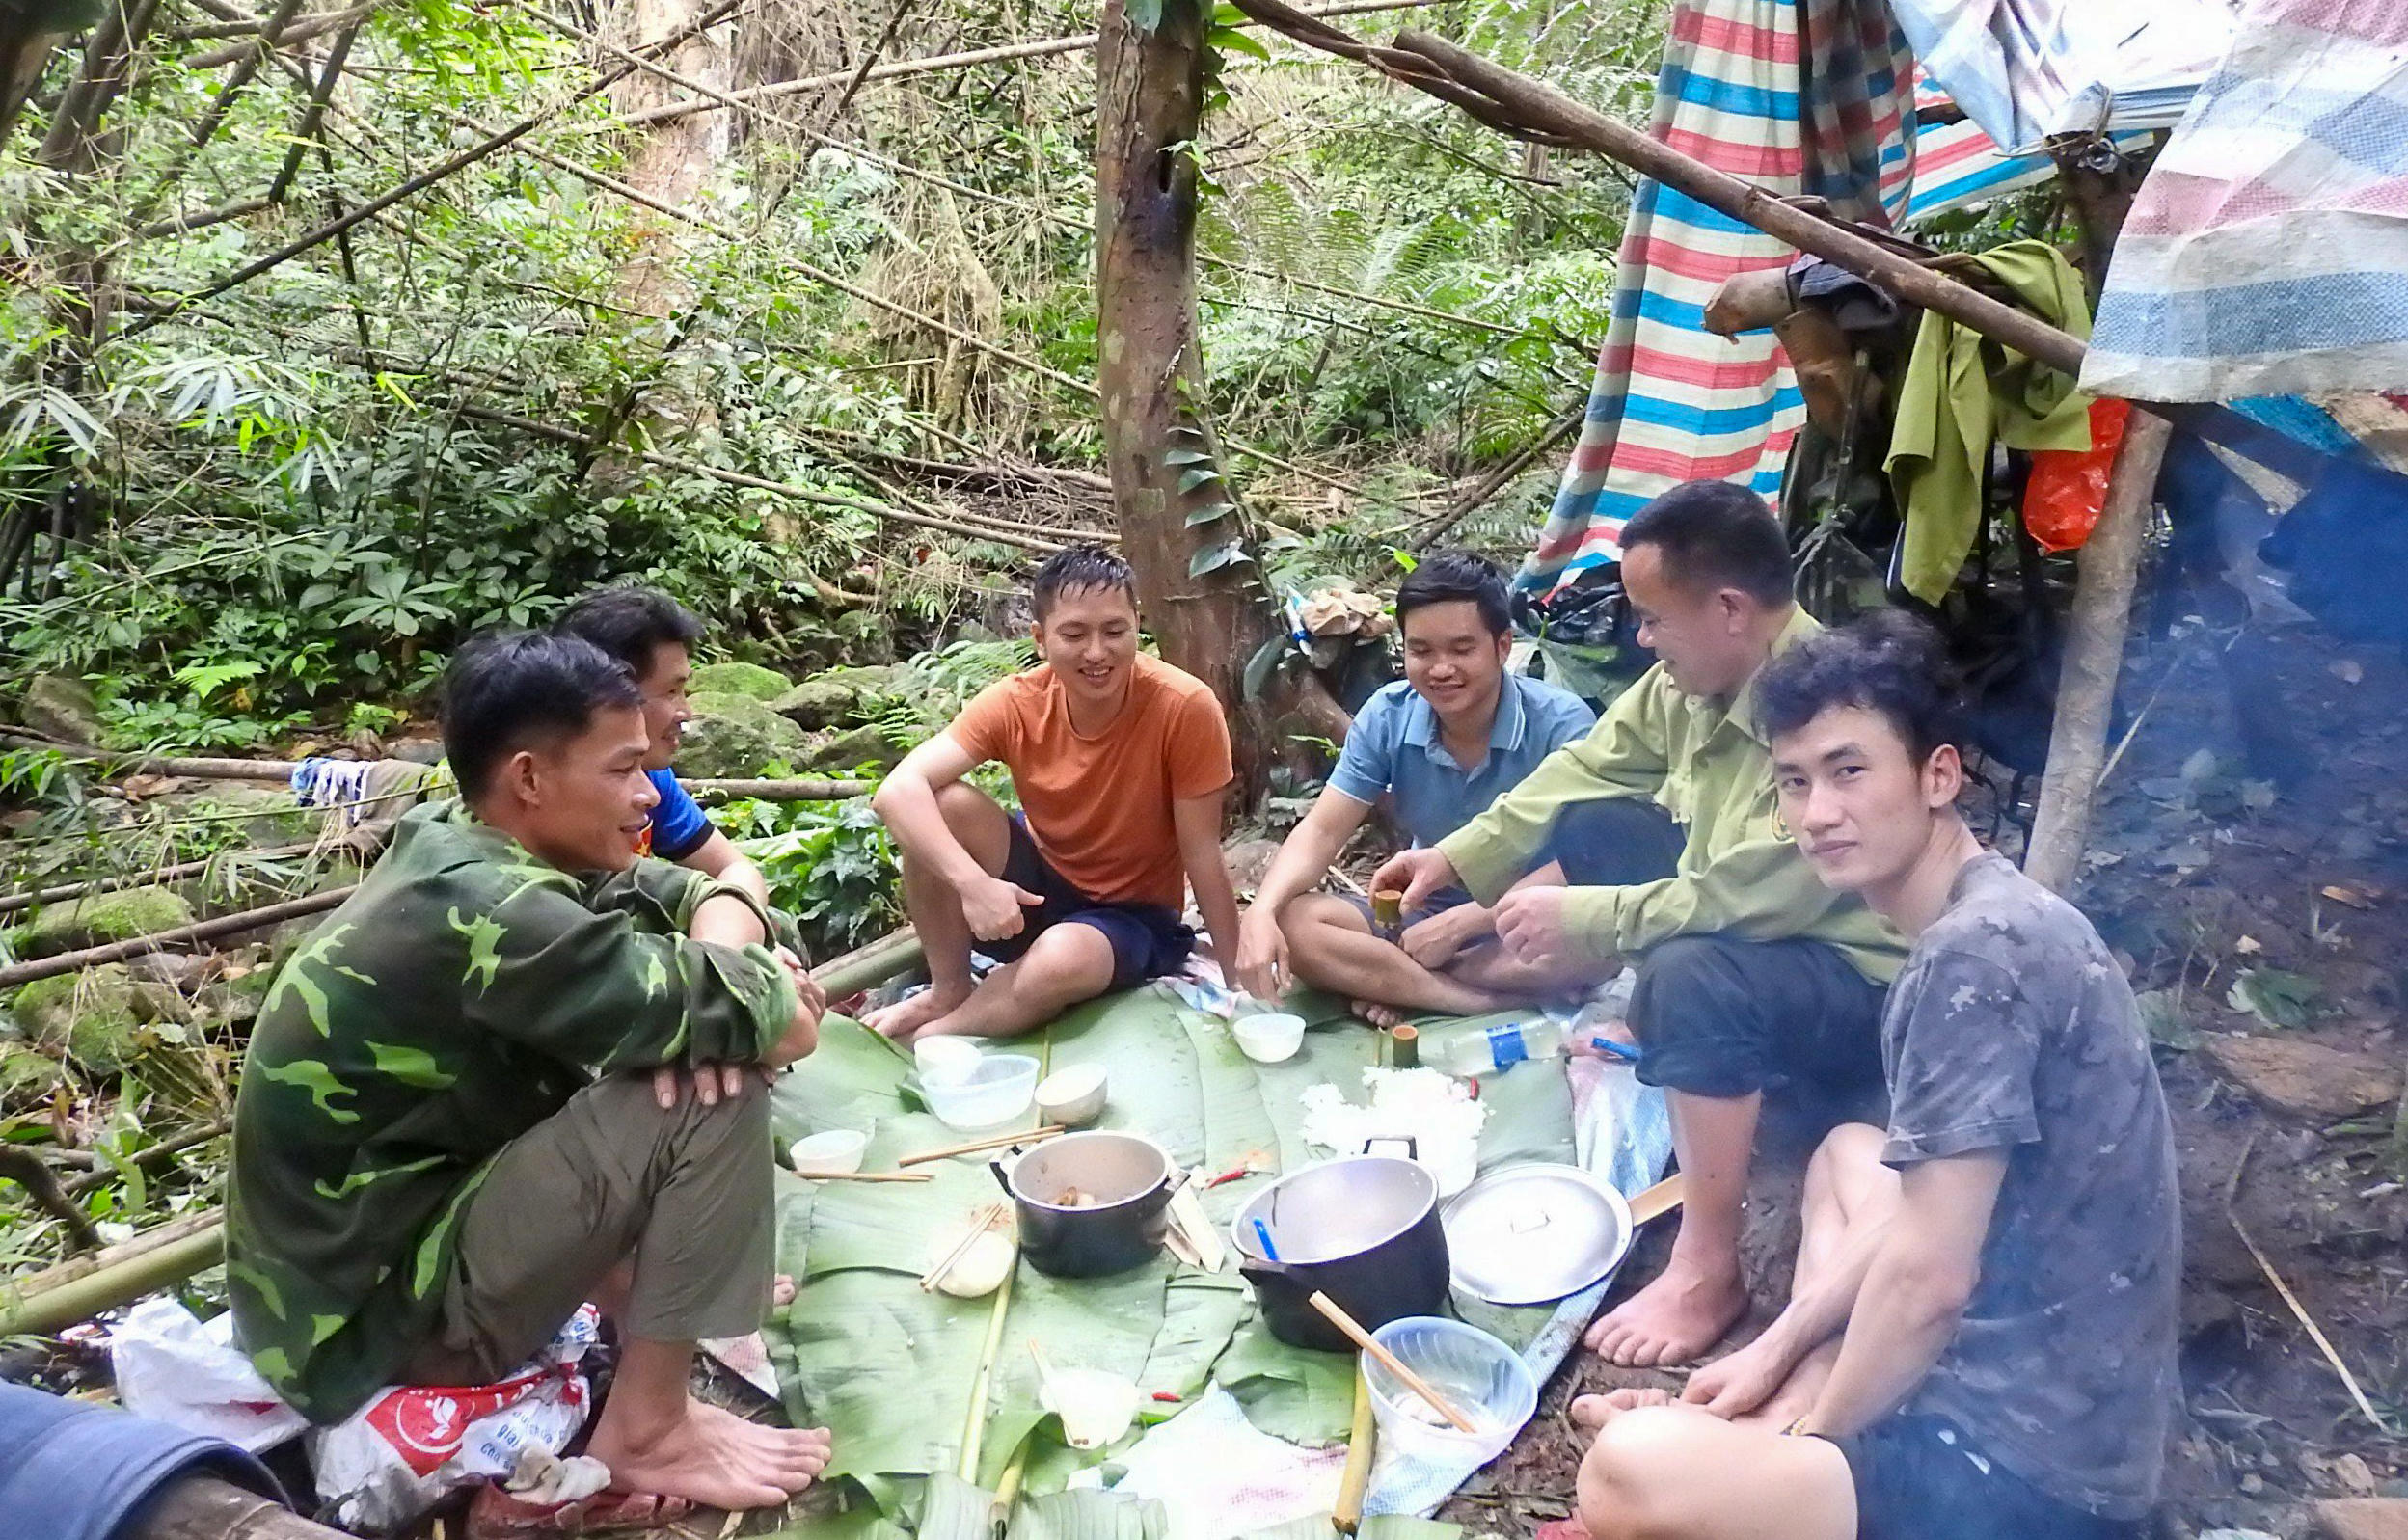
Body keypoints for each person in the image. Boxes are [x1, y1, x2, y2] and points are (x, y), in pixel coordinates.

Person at [1564, 610, 2179, 1540]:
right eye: (1795, 781)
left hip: (2030, 1476)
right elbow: (1923, 1211)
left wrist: (1801, 1442)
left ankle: (1798, 1440)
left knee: (1626, 1474)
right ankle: (1792, 1416)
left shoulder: (1970, 959)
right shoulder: (1985, 913)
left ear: (1936, 773)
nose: (1817, 813)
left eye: (1850, 771)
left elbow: (1930, 1280)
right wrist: (1773, 1351)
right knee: (1853, 1152)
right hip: (2064, 1389)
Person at [227, 632, 834, 1514]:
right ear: (528, 779)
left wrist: (726, 931)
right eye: (624, 770)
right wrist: (741, 992)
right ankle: (652, 1427)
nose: (646, 795)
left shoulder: (465, 837)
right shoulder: (492, 908)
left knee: (691, 1051)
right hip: (376, 1321)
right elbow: (787, 1029)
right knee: (715, 1089)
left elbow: (682, 895)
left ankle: (641, 1310)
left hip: (375, 1260)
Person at [1370, 482, 1907, 1367]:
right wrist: (1459, 858)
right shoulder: (1693, 684)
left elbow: (1738, 899)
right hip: (1761, 935)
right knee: (1603, 828)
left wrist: (1583, 915)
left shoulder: (1825, 712)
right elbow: (1592, 762)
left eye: (1653, 618)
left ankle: (1707, 1266)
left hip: (1862, 997)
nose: (1642, 639)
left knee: (1687, 970)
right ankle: (1626, 1019)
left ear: (1730, 609)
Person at [865, 546, 1240, 1041]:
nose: (1097, 653)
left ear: (1137, 626)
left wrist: (1239, 978)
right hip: (1033, 889)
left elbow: (1202, 852)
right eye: (1074, 634)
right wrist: (975, 886)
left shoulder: (1184, 707)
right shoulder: (1018, 702)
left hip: (1130, 918)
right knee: (942, 805)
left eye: (1114, 631)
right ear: (1041, 639)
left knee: (1061, 959)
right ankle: (948, 987)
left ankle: (938, 1036)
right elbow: (896, 791)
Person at [1230, 549, 1596, 1022]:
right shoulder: (1388, 714)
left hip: (1529, 916)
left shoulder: (1561, 724)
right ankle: (1473, 1000)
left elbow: (1589, 856)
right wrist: (1260, 912)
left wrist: (1467, 924)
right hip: (1420, 915)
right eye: (1421, 651)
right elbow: (1322, 831)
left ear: (1502, 646)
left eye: (1462, 650)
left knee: (1593, 950)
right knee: (1296, 925)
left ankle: (1404, 984)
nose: (1441, 669)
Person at [555, 586, 771, 908]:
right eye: (671, 692)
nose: (686, 712)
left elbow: (734, 869)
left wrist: (739, 938)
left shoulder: (650, 778)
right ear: (610, 694)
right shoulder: (554, 794)